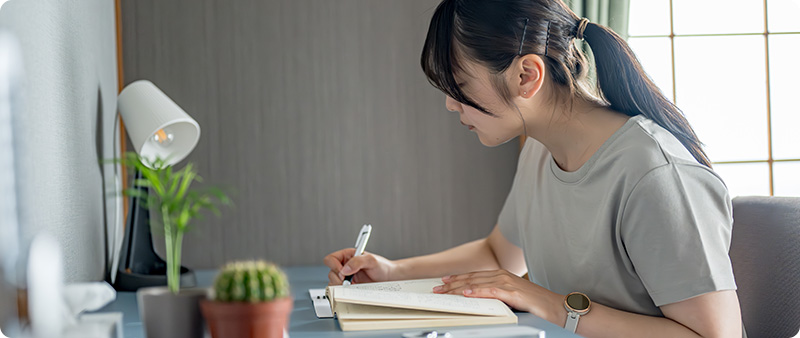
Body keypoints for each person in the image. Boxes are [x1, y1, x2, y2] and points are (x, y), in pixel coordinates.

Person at [324, 0, 743, 336]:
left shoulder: (657, 176)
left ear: (526, 75)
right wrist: (392, 273)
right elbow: (499, 256)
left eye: (460, 87)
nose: (451, 104)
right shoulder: (539, 150)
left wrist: (546, 302)